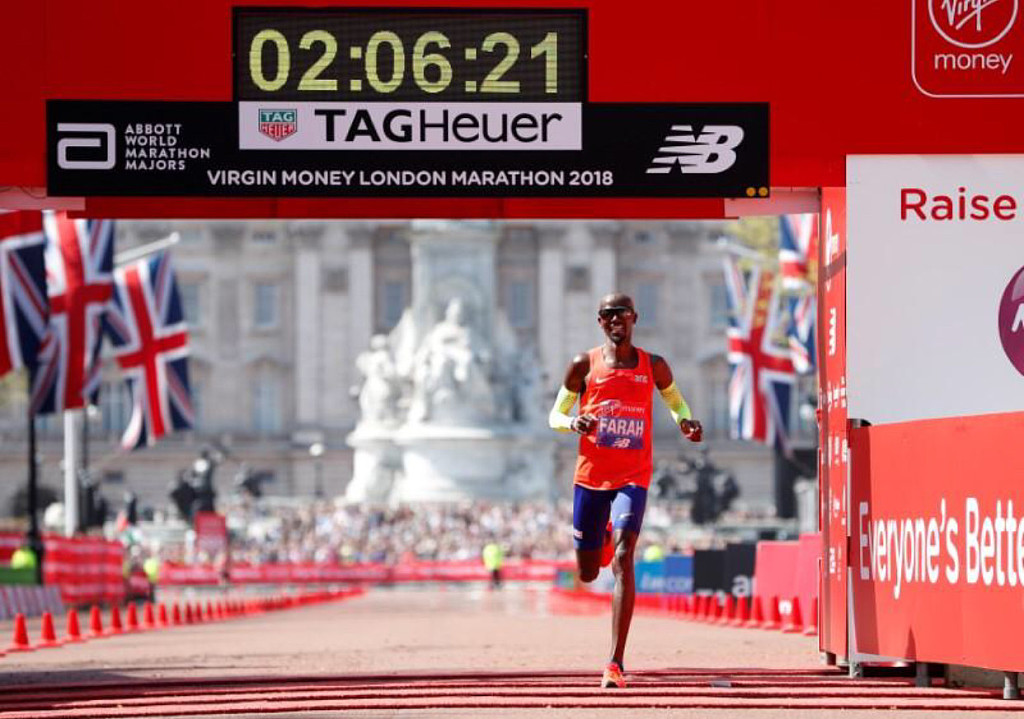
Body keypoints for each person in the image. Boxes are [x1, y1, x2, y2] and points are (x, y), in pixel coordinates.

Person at [548, 292, 702, 689]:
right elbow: (555, 415)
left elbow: (676, 401)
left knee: (623, 558)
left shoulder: (654, 365)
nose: (616, 319)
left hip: (633, 474)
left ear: (635, 318)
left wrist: (685, 422)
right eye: (608, 314)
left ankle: (614, 662)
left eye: (623, 313)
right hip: (591, 477)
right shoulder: (583, 364)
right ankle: (598, 536)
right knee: (588, 572)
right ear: (600, 322)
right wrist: (573, 423)